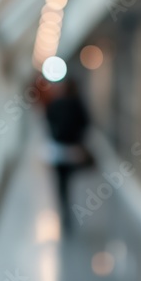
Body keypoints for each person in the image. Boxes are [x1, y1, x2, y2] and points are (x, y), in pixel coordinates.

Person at [43, 76, 92, 231]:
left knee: (61, 182)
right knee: (70, 181)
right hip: (73, 149)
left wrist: (56, 135)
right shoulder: (78, 104)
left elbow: (49, 120)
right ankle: (69, 211)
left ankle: (65, 210)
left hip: (59, 149)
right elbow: (86, 123)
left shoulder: (56, 104)